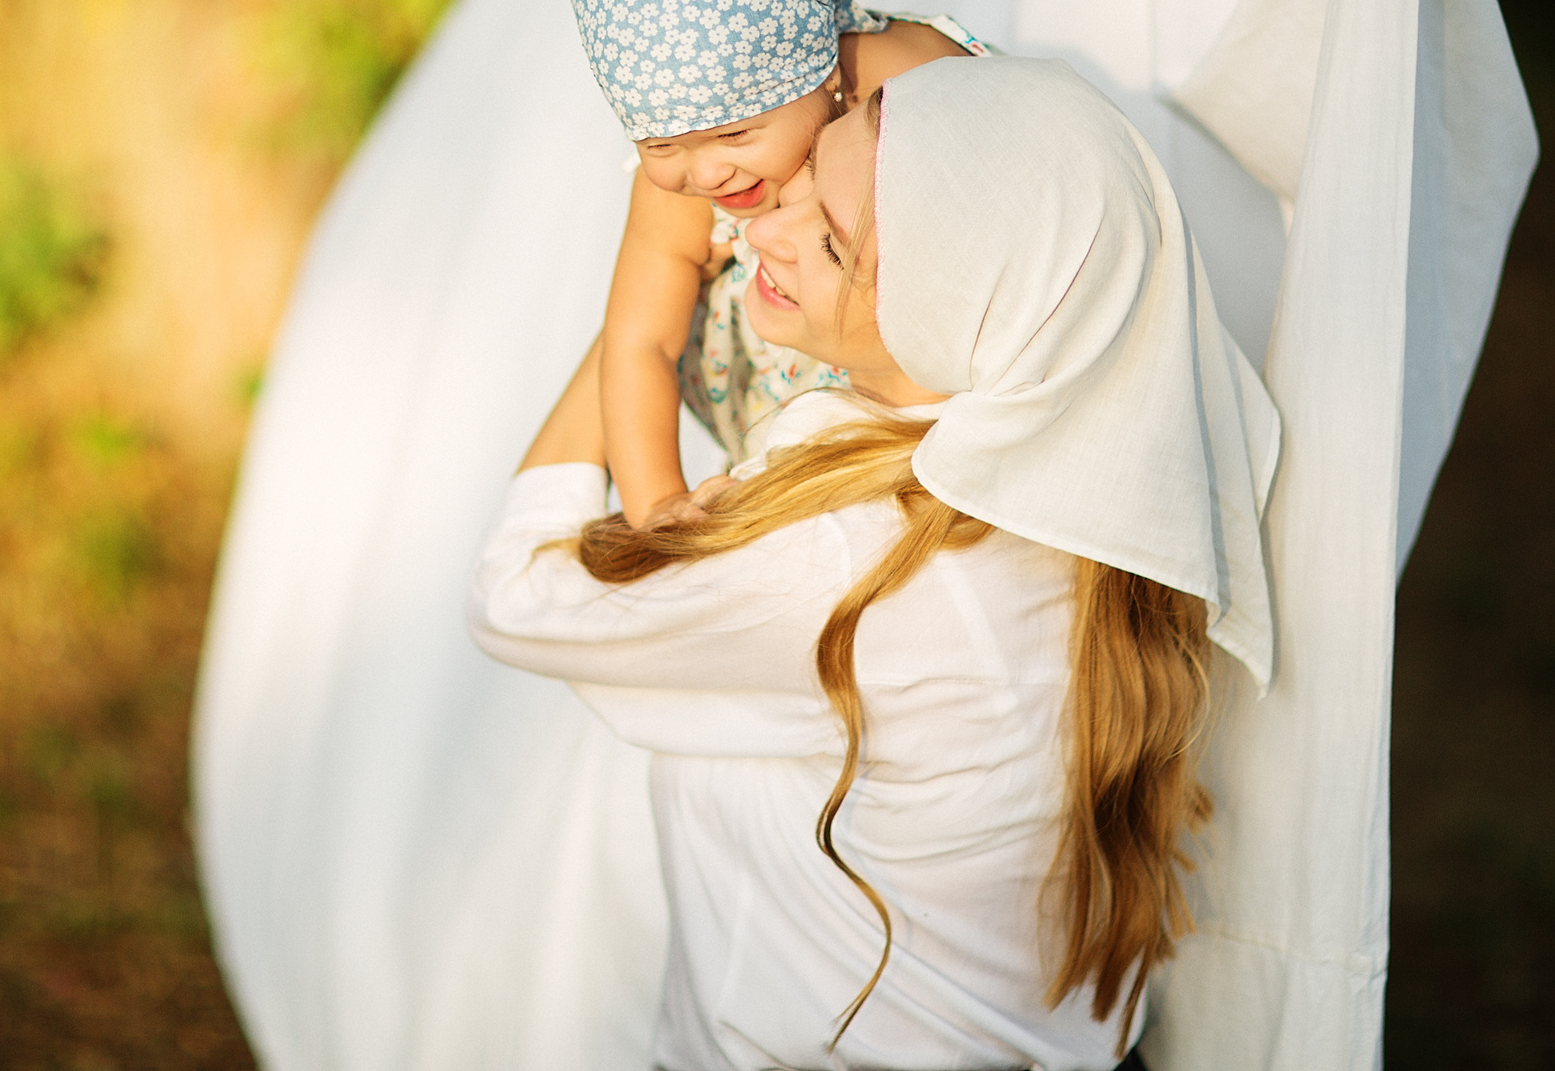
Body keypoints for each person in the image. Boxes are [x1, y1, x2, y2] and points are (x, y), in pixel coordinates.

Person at [470, 56, 1281, 1071]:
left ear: (941, 311)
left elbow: (516, 592)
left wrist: (644, 302)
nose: (757, 225)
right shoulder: (1093, 485)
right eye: (809, 168)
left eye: (829, 240)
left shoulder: (844, 559)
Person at [561, 0, 990, 525]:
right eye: (662, 140)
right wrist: (657, 502)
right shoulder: (678, 194)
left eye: (735, 131)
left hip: (931, 405)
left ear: (817, 63)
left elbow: (1010, 190)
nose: (705, 169)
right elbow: (639, 345)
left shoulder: (911, 93)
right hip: (782, 437)